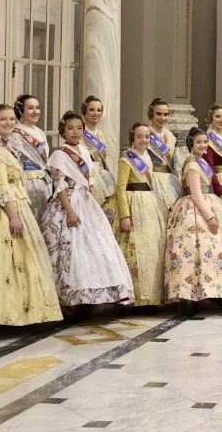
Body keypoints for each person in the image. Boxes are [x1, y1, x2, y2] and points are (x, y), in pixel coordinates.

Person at [0, 104, 63, 329]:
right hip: (3, 209)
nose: (8, 123)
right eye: (3, 120)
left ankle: (25, 312)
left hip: (18, 203)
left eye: (11, 119)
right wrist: (13, 216)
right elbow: (1, 186)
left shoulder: (7, 147)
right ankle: (0, 315)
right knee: (2, 262)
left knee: (24, 261)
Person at [42, 111, 134, 309]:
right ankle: (70, 298)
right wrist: (71, 211)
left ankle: (97, 294)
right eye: (70, 128)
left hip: (86, 201)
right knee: (70, 249)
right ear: (63, 130)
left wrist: (94, 205)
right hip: (68, 204)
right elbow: (60, 186)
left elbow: (90, 180)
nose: (75, 132)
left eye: (79, 128)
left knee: (98, 246)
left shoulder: (84, 151)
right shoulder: (59, 154)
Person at [162, 133, 222, 305]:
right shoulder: (192, 164)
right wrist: (209, 217)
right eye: (198, 142)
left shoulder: (202, 162)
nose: (203, 145)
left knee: (214, 250)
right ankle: (191, 293)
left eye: (205, 142)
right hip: (194, 211)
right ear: (191, 144)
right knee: (194, 251)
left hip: (208, 203)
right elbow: (196, 193)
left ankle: (212, 290)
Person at [113, 122, 168, 306]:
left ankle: (152, 295)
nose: (144, 140)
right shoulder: (126, 158)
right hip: (133, 205)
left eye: (147, 137)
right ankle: (136, 296)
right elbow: (120, 188)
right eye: (140, 137)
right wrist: (124, 215)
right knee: (135, 250)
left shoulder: (148, 157)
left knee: (152, 249)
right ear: (132, 137)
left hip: (149, 204)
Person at [9, 94, 54, 216]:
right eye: (30, 108)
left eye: (37, 107)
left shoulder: (39, 132)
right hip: (27, 184)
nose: (36, 112)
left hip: (44, 182)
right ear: (21, 110)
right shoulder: (15, 135)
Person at [80, 96, 117, 228]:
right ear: (85, 111)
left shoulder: (99, 133)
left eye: (99, 110)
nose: (96, 113)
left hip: (103, 175)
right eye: (92, 110)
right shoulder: (81, 132)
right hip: (90, 176)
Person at [146, 99, 184, 214]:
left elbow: (173, 162)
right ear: (151, 113)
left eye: (165, 114)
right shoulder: (145, 134)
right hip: (152, 180)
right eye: (159, 114)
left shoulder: (170, 136)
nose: (162, 118)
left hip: (170, 181)